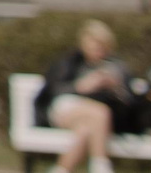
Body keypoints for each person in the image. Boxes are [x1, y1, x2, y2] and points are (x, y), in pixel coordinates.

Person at [39, 20, 134, 172]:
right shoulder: (71, 62)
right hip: (66, 108)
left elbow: (129, 100)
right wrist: (81, 86)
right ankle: (101, 166)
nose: (98, 49)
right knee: (100, 113)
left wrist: (115, 86)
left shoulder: (116, 66)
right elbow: (53, 91)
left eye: (102, 45)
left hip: (97, 121)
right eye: (94, 44)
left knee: (85, 130)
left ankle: (60, 170)